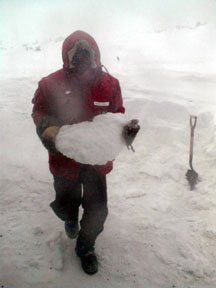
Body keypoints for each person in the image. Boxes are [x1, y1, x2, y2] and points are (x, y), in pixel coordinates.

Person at [32, 31, 139, 275]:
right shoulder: (50, 84)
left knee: (98, 210)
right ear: (67, 57)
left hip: (95, 163)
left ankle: (86, 247)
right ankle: (70, 218)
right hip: (64, 160)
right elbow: (38, 109)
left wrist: (126, 132)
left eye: (86, 54)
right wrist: (46, 125)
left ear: (95, 55)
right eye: (75, 55)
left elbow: (117, 115)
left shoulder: (110, 84)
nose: (81, 60)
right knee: (66, 203)